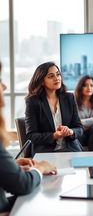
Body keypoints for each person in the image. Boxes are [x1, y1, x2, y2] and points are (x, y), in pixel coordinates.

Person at [0, 62, 57, 213]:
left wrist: (12, 166)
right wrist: (39, 168)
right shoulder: (33, 101)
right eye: (0, 81)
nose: (5, 86)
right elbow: (22, 185)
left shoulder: (68, 98)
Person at [25, 62, 83, 155]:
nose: (57, 78)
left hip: (71, 150)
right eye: (51, 76)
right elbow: (32, 135)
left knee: (84, 168)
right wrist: (54, 136)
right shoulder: (33, 102)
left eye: (58, 74)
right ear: (41, 81)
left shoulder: (69, 97)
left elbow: (79, 128)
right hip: (46, 152)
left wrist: (70, 131)